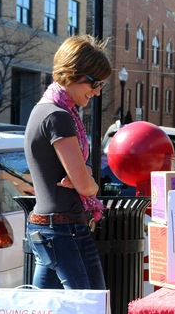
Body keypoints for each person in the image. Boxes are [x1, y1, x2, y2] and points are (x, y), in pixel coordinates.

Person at [25, 35, 111, 290]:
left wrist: (81, 174)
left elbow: (75, 177)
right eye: (95, 83)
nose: (97, 92)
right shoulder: (58, 117)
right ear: (73, 73)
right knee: (90, 313)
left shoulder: (42, 110)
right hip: (65, 230)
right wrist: (90, 181)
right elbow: (85, 187)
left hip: (47, 228)